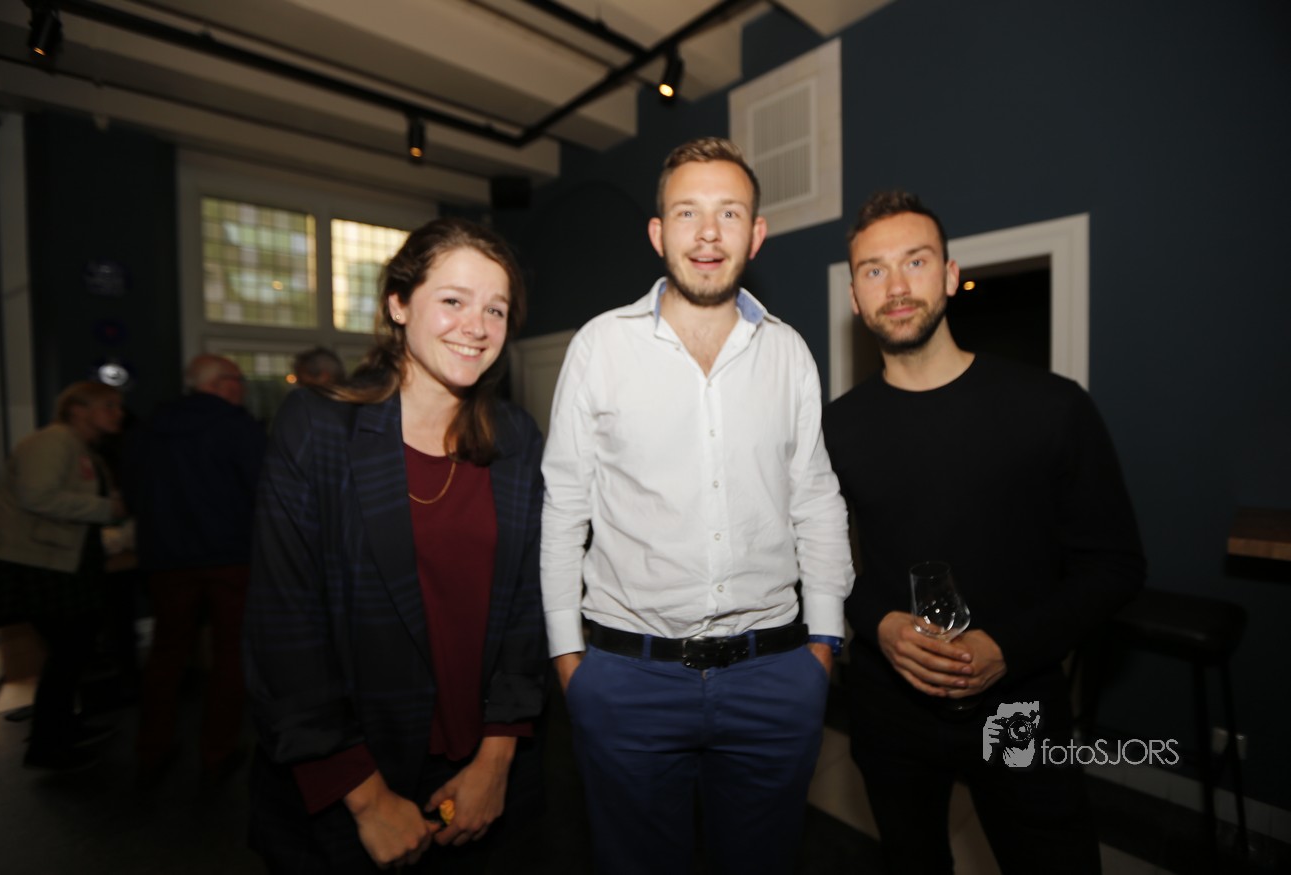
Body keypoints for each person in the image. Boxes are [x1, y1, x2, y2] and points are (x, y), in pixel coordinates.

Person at [541, 137, 854, 875]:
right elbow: (563, 506)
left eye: (728, 213)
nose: (708, 233)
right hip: (627, 679)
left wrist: (823, 647)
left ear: (756, 233)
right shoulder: (599, 347)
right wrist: (567, 657)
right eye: (687, 212)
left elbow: (815, 497)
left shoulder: (788, 353)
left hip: (773, 674)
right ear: (658, 233)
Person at [823, 190, 1146, 874]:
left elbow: (1114, 565)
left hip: (1018, 700)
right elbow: (820, 561)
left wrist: (1006, 648)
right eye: (874, 270)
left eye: (915, 261)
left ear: (949, 275)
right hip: (887, 704)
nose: (896, 286)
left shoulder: (1051, 406)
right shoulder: (835, 429)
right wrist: (878, 622)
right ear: (854, 296)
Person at [244, 217, 546, 872]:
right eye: (453, 300)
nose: (476, 326)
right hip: (352, 775)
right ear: (398, 304)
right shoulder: (318, 428)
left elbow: (529, 606)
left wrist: (496, 757)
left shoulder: (516, 438)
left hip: (482, 771)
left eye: (495, 309)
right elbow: (284, 627)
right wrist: (365, 796)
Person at [131, 354, 266, 786]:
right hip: (231, 557)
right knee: (230, 655)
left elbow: (132, 490)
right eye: (237, 379)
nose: (241, 388)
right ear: (221, 383)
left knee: (166, 653)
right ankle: (217, 753)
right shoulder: (238, 427)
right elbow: (263, 489)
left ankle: (151, 750)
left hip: (166, 559)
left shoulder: (150, 427)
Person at [0, 381, 126, 770]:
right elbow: (37, 496)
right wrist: (106, 508)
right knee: (68, 651)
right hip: (37, 563)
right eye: (108, 405)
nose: (118, 413)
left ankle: (62, 730)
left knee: (72, 651)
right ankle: (49, 744)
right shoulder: (51, 442)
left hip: (57, 561)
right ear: (78, 409)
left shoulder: (80, 447)